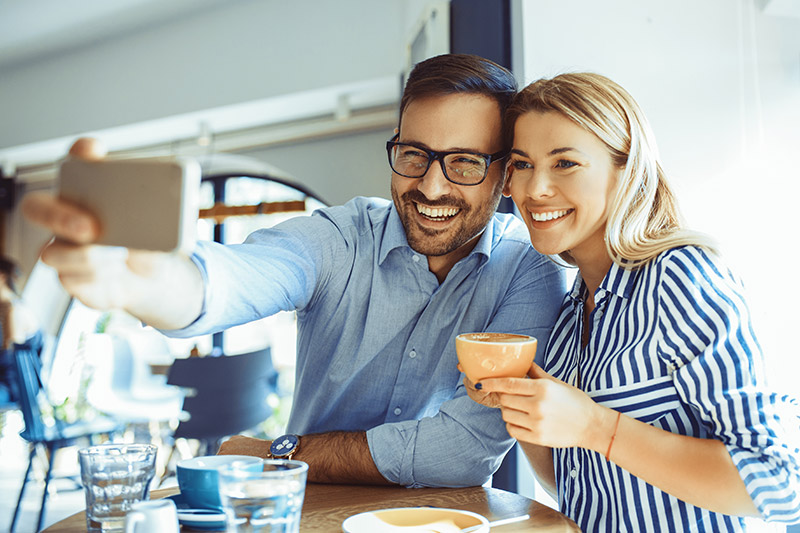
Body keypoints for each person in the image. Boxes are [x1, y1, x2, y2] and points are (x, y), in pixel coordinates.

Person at [22, 54, 566, 487]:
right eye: (414, 153)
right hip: (305, 512)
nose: (430, 185)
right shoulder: (340, 237)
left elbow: (463, 453)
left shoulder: (530, 271)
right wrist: (150, 283)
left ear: (504, 176)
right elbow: (234, 278)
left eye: (466, 162)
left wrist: (279, 454)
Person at [464, 72, 800, 530]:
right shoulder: (570, 311)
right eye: (522, 164)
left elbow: (780, 483)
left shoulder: (680, 277)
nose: (535, 189)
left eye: (564, 163)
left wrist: (594, 426)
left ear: (626, 168)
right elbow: (582, 486)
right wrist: (519, 402)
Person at [0, 256, 42, 405]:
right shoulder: (7, 308)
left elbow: (10, 358)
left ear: (2, 276)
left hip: (14, 387)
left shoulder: (15, 311)